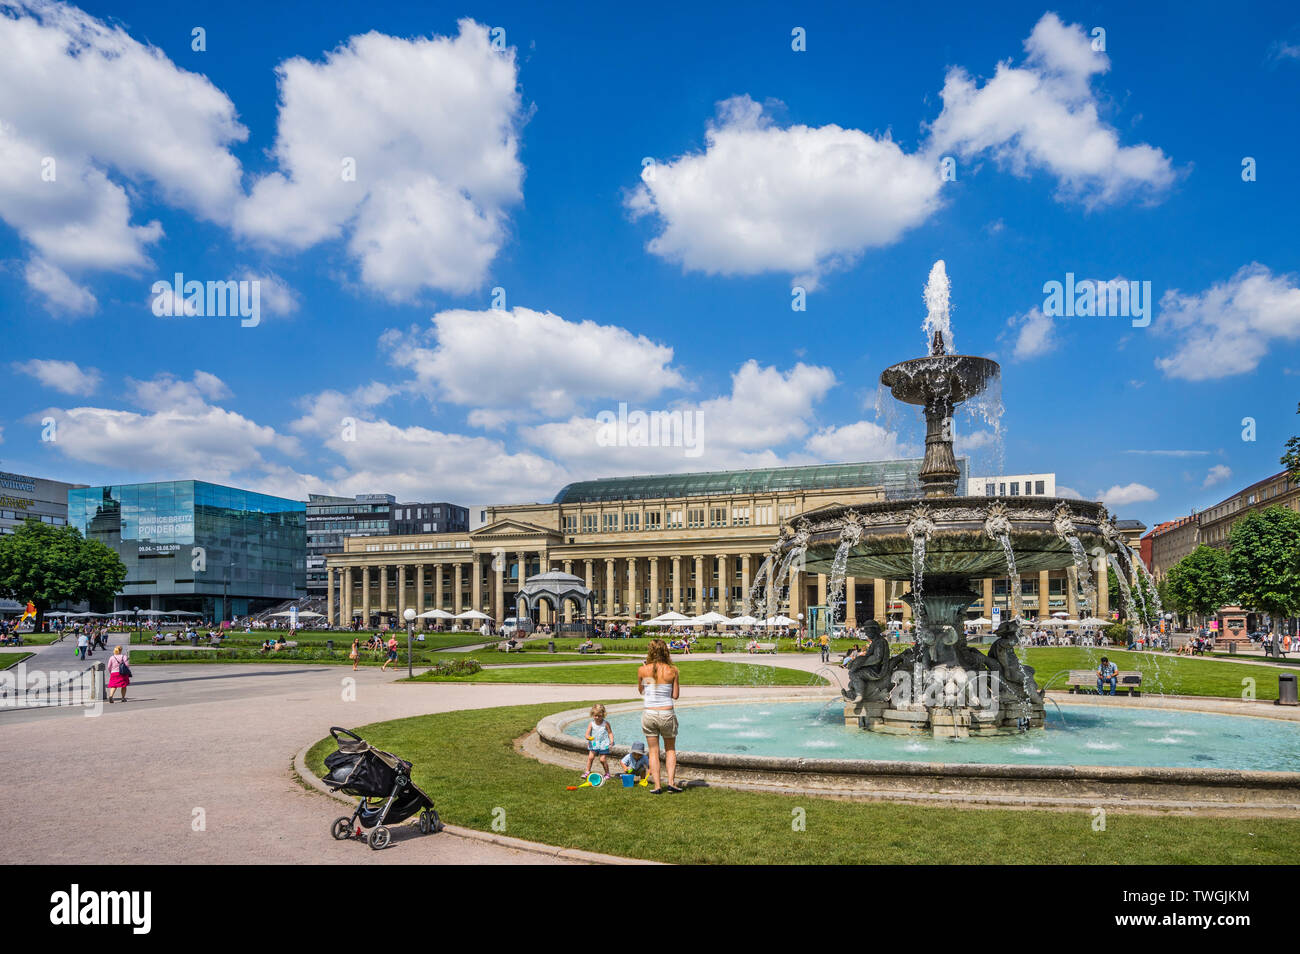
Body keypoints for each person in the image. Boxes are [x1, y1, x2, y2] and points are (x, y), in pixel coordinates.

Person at [637, 638, 681, 794]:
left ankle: (657, 786)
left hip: (649, 712)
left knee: (653, 751)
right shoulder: (672, 670)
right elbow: (675, 695)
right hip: (666, 712)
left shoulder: (642, 670)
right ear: (665, 651)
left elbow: (641, 691)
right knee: (670, 749)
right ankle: (671, 783)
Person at [583, 704, 614, 778]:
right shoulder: (591, 724)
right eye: (595, 715)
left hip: (603, 744)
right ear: (592, 714)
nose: (597, 717)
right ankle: (587, 771)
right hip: (594, 744)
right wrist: (588, 737)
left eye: (599, 716)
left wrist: (611, 740)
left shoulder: (606, 724)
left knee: (602, 760)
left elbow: (610, 732)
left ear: (603, 715)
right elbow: (587, 734)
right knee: (590, 758)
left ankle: (607, 773)